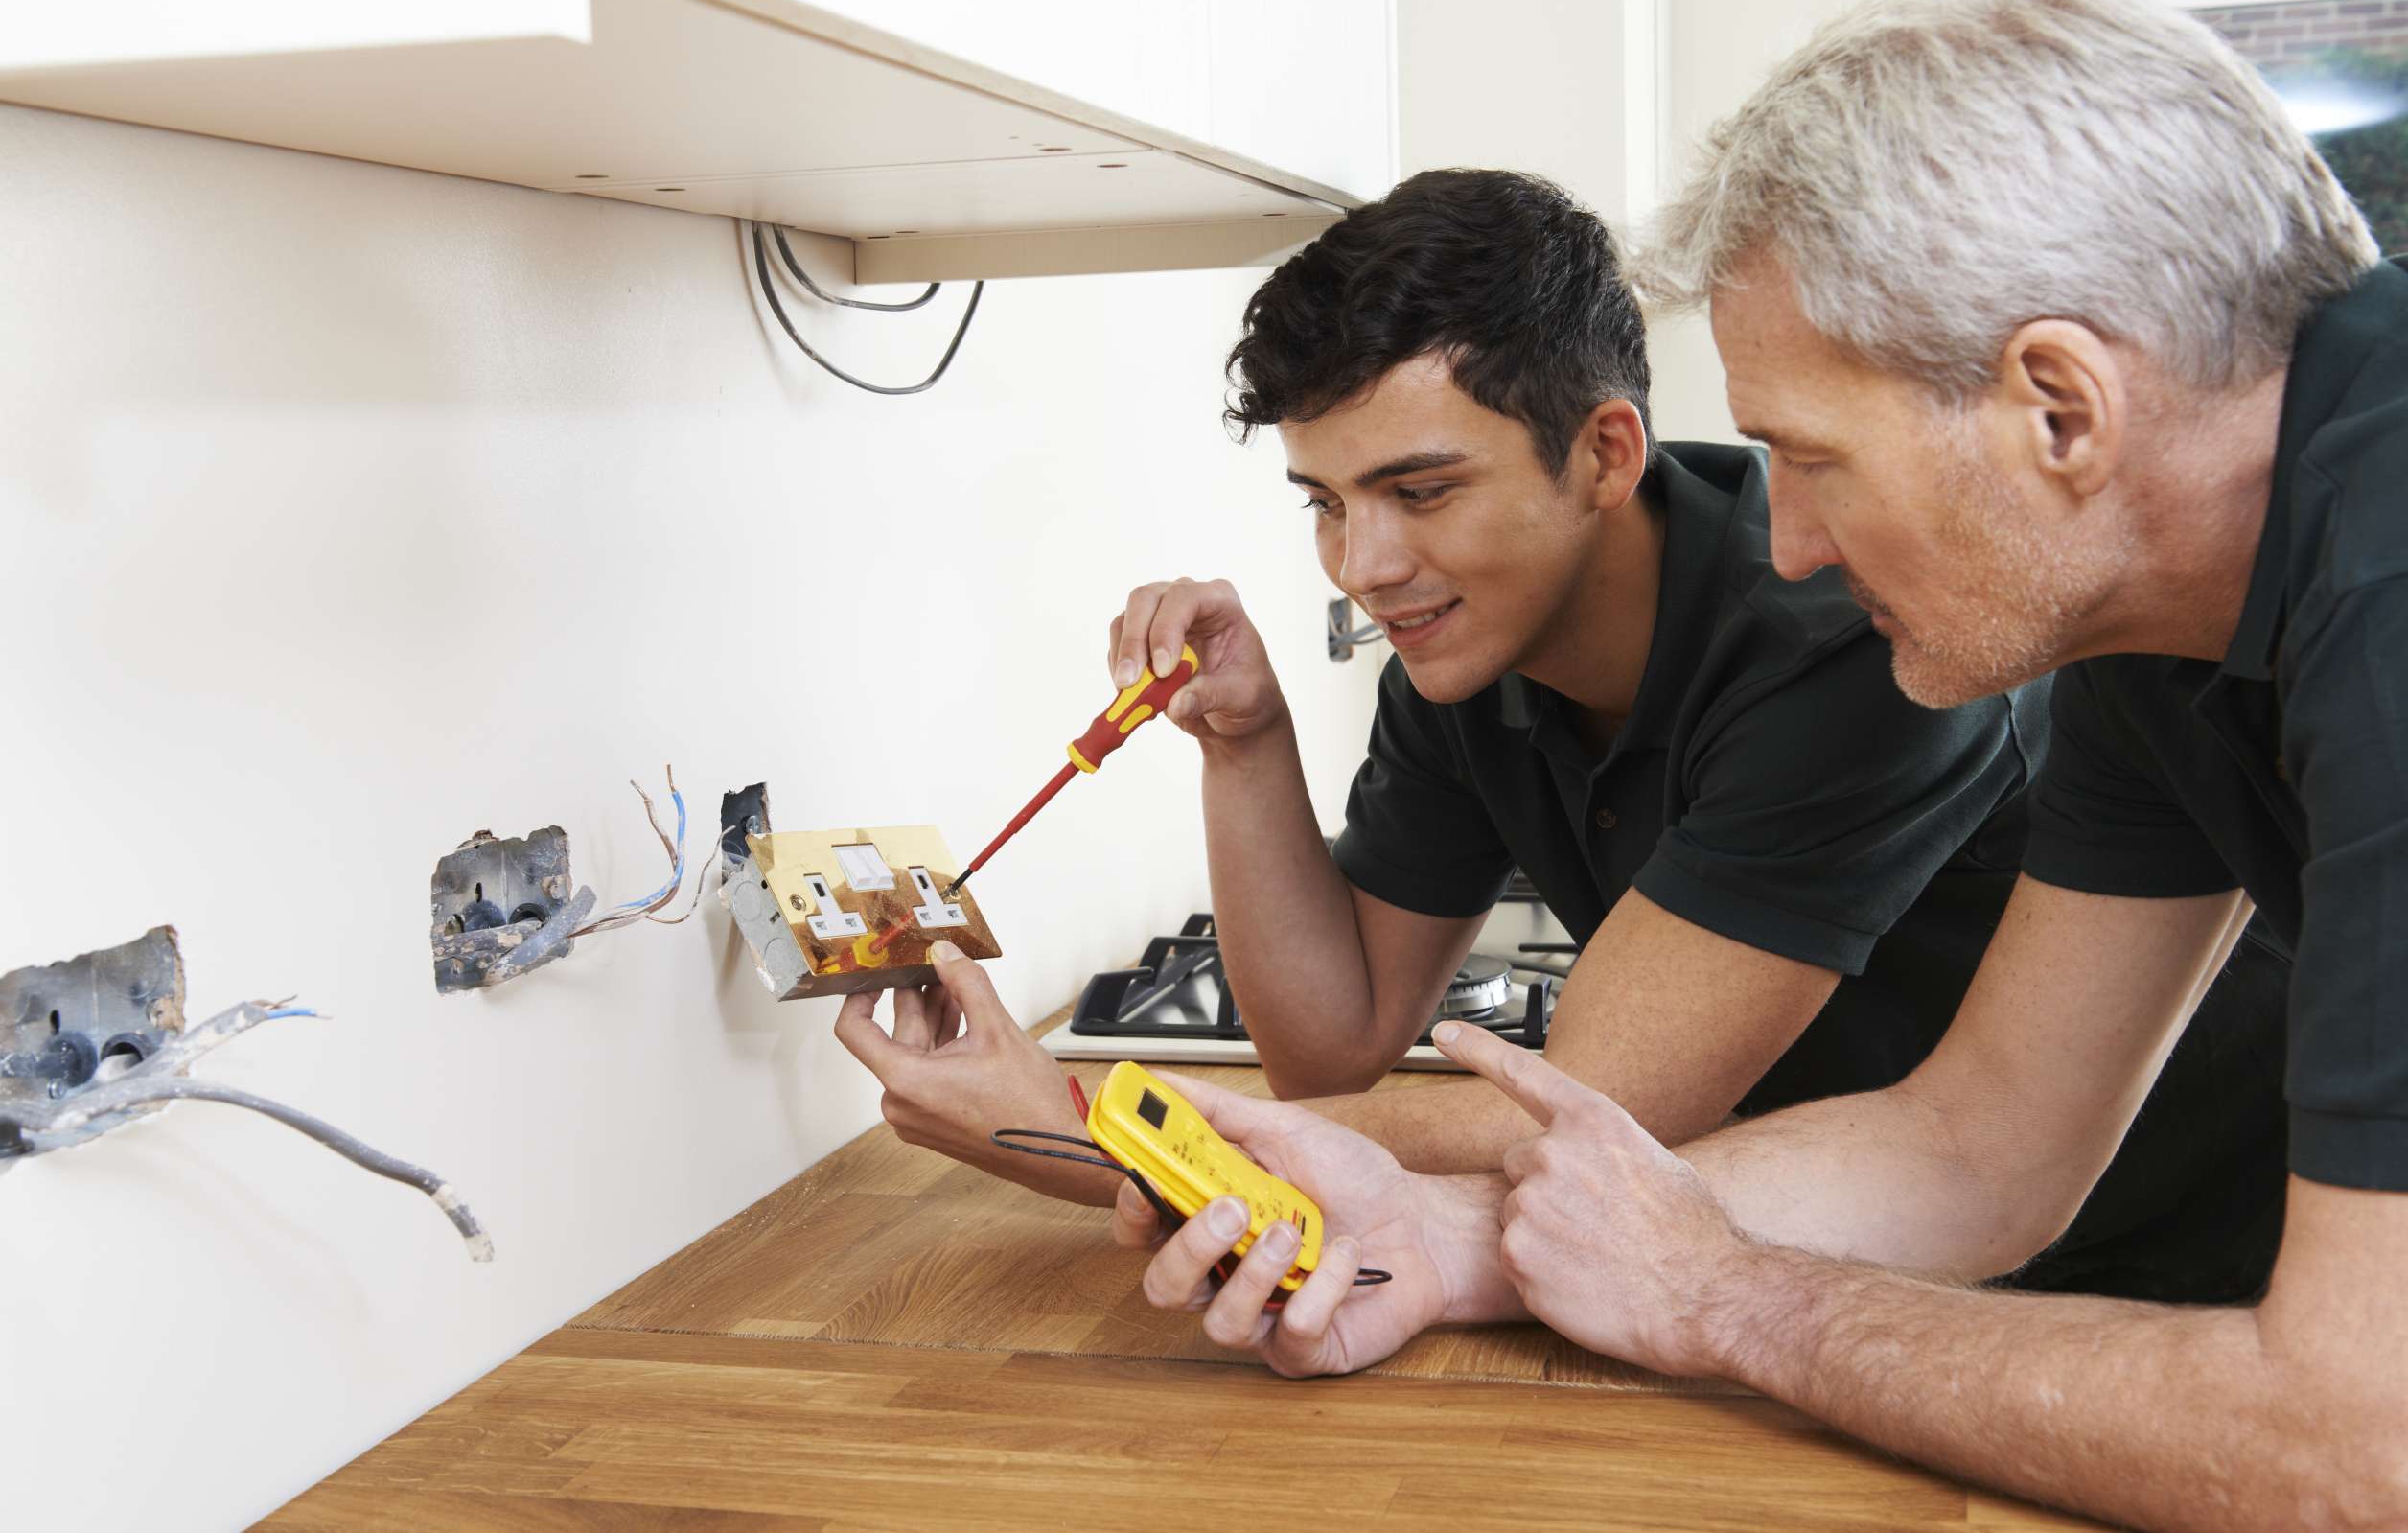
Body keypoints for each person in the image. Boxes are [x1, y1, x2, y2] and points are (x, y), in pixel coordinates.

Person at [1102, 0, 2408, 1532]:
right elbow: (1980, 1148)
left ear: (2059, 408)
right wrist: (1462, 1242)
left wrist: (1731, 1301)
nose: (1783, 543)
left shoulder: (2382, 593)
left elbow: (2356, 1443)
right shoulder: (2152, 605)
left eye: (1812, 456)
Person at [838, 167, 2286, 1306]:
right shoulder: (1468, 660)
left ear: (1604, 452)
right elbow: (1331, 1048)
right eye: (1327, 503)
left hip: (2188, 1250)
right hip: (1866, 1229)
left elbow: (1591, 1113)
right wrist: (1248, 744)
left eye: (1419, 489)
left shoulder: (1840, 643)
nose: (1364, 563)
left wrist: (1091, 1128)